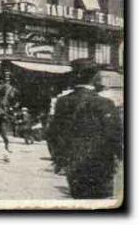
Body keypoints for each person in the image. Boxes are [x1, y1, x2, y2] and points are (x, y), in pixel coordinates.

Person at [47, 59, 122, 199]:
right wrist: (119, 158)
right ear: (95, 77)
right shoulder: (105, 103)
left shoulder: (62, 102)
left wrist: (59, 159)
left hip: (73, 167)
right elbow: (115, 135)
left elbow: (52, 133)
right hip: (100, 166)